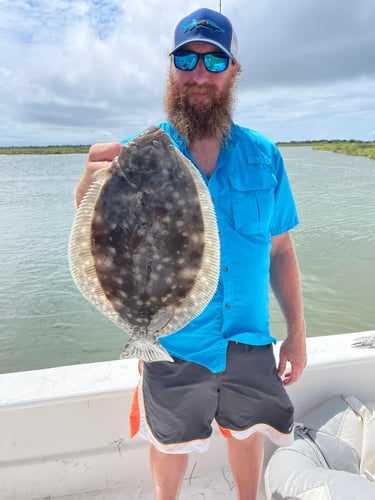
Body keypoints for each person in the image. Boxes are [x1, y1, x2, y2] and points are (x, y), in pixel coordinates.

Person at [75, 8, 307, 500]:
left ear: (234, 71)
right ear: (171, 67)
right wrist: (87, 198)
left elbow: (281, 249)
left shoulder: (265, 156)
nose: (199, 73)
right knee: (169, 441)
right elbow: (105, 235)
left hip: (249, 340)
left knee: (249, 432)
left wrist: (297, 335)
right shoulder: (141, 152)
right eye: (186, 58)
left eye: (215, 61)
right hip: (173, 343)